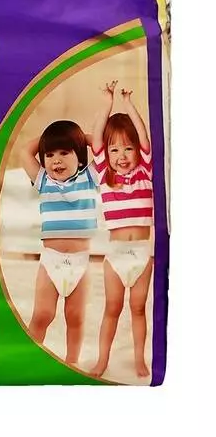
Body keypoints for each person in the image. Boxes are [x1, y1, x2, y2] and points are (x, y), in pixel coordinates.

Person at [20, 120, 98, 365]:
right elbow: (25, 151)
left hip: (80, 263)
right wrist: (49, 138)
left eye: (65, 152)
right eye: (50, 154)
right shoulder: (43, 180)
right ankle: (29, 359)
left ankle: (71, 363)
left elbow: (104, 149)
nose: (56, 160)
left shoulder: (90, 177)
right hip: (51, 261)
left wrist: (82, 138)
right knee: (42, 314)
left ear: (80, 157)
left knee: (75, 317)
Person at [90, 81, 153, 378]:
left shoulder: (145, 172)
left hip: (142, 255)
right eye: (115, 149)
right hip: (115, 256)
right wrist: (108, 102)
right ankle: (102, 360)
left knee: (138, 309)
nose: (122, 156)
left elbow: (143, 136)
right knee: (112, 309)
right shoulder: (105, 174)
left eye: (128, 148)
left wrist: (128, 105)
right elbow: (97, 140)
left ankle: (140, 359)